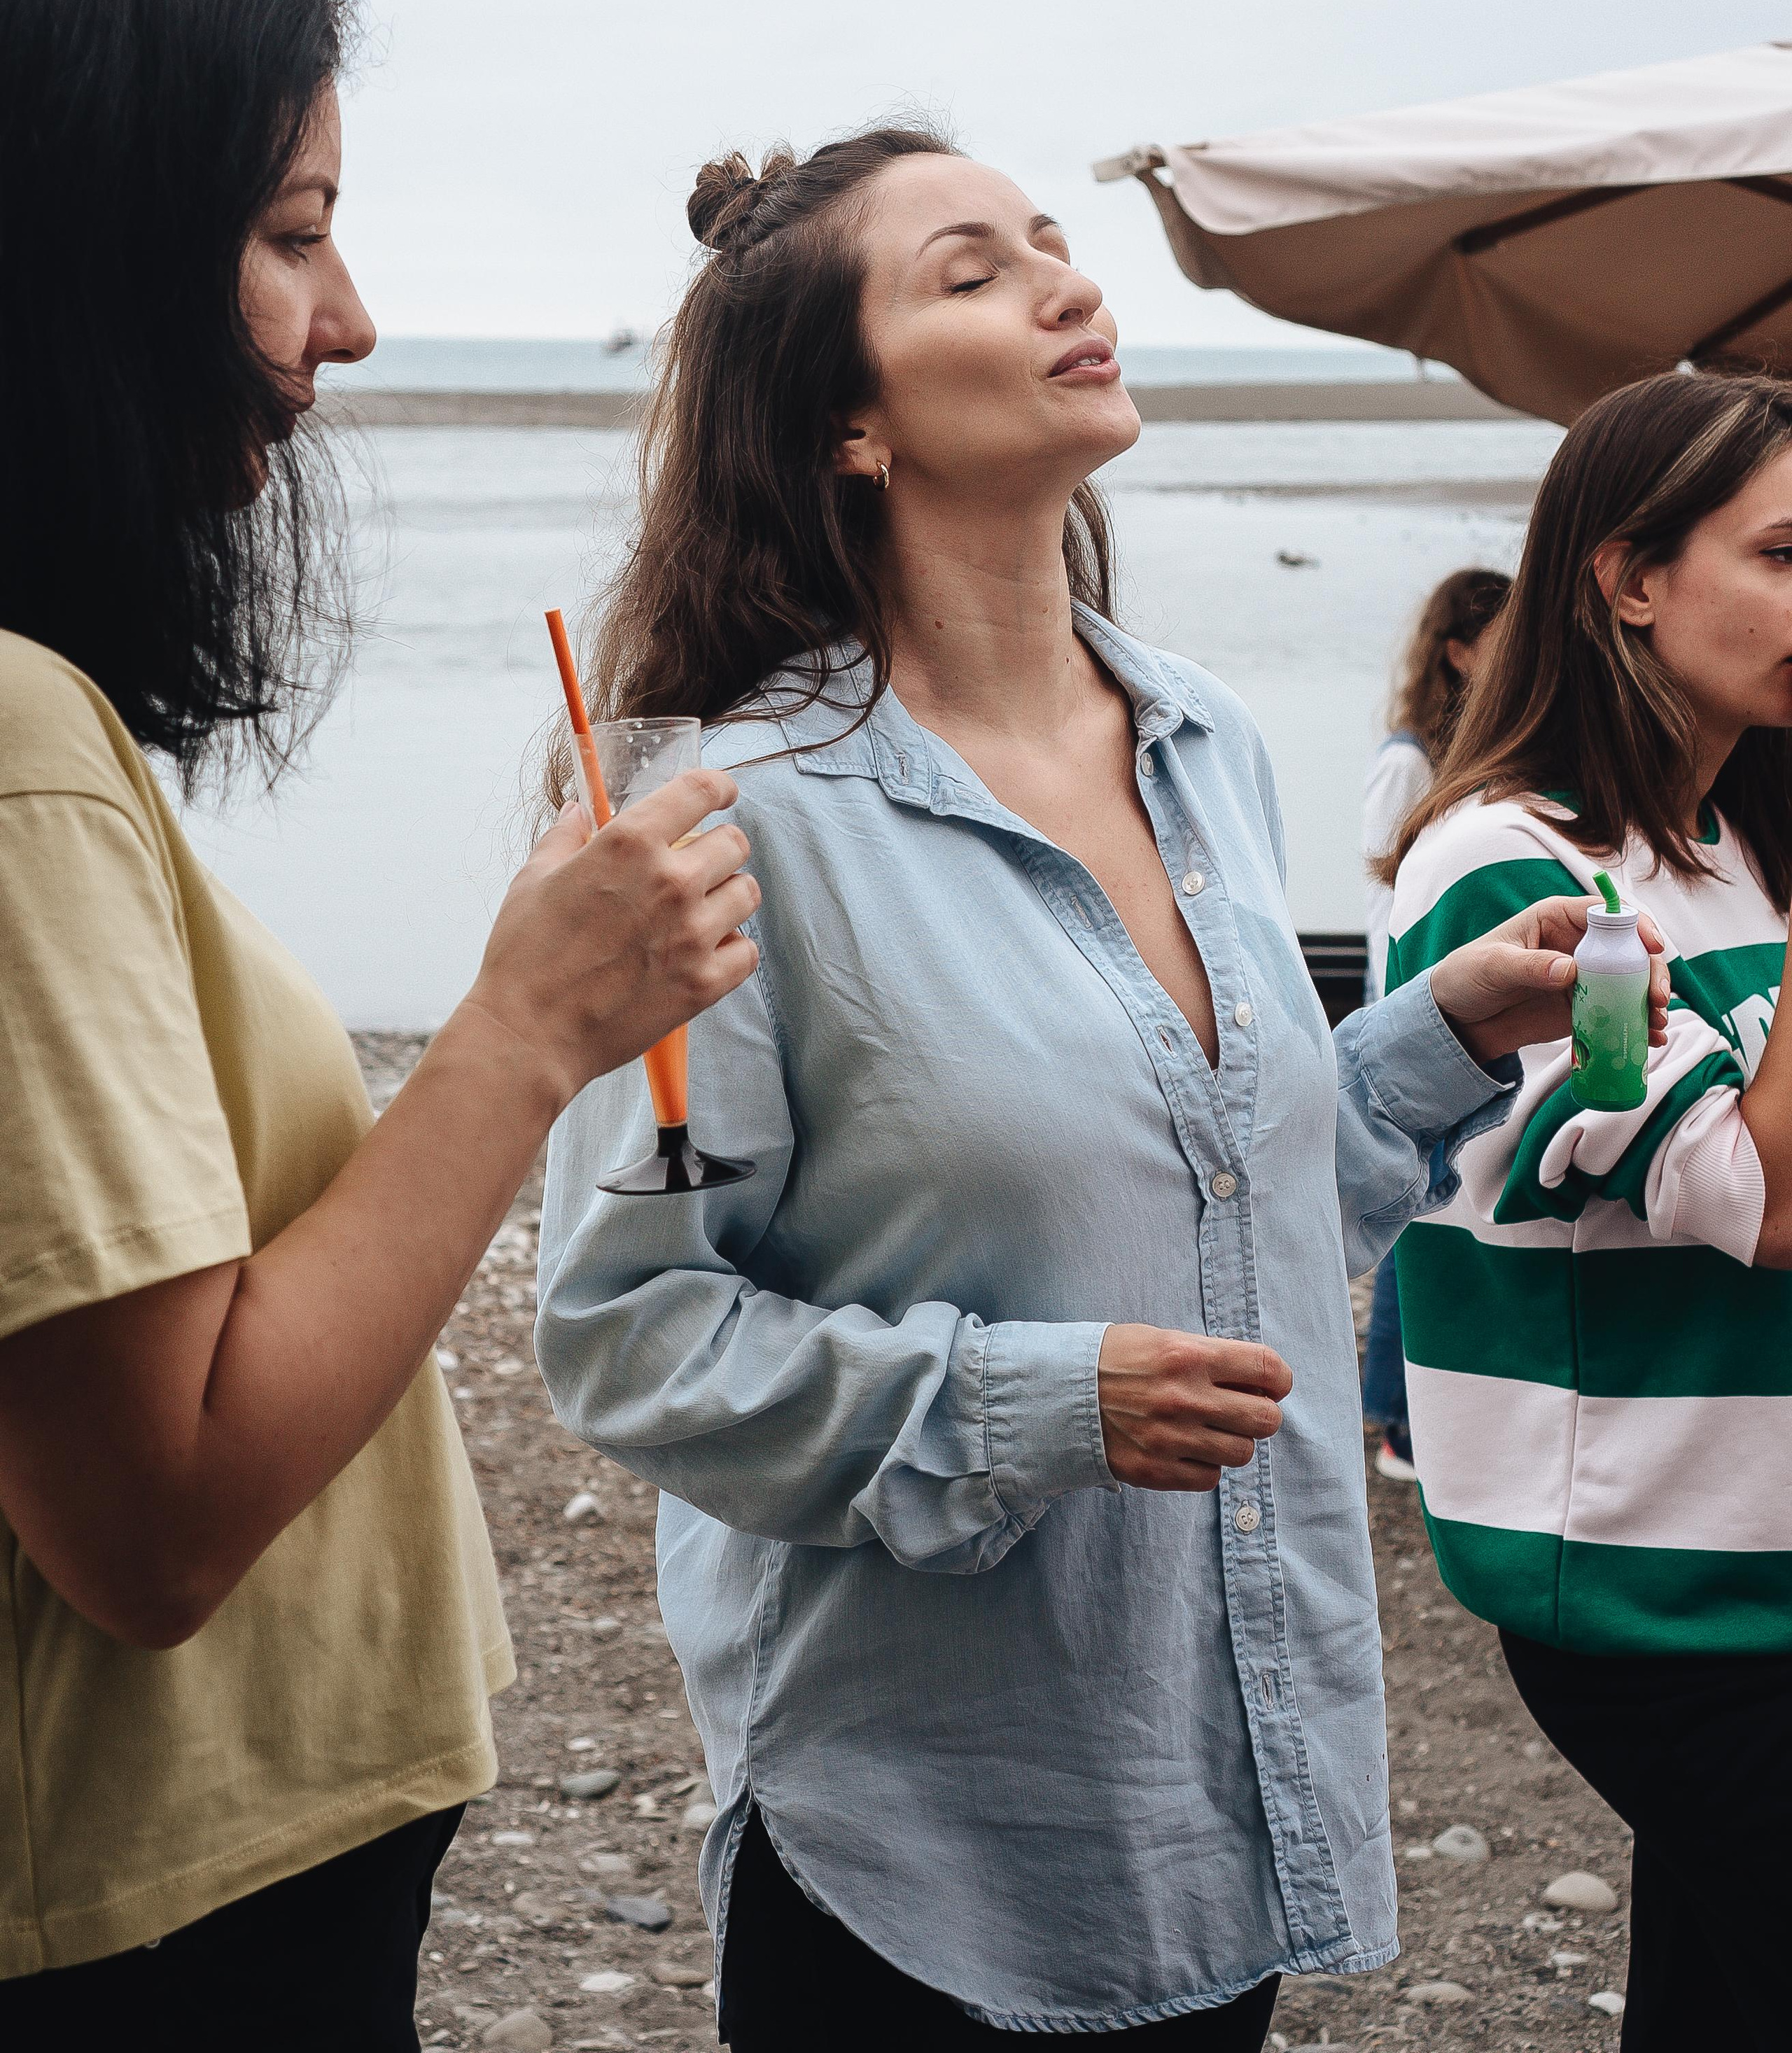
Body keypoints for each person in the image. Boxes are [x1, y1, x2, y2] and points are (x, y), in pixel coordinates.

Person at [533, 127, 1660, 2047]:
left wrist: (1411, 1058)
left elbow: (1227, 1221)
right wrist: (1038, 1397)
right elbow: (628, 1339)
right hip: (926, 1837)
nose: (1068, 283)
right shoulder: (725, 821)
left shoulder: (1205, 736)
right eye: (974, 272)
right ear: (848, 429)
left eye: (1057, 243)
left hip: (1217, 1770)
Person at [0, 0, 759, 2044]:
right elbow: (150, 1524)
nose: (347, 319)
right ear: (75, 255)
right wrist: (529, 1028)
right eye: (290, 232)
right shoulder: (23, 746)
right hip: (152, 1909)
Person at [1382, 370, 1792, 2053]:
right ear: (1625, 576)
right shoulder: (1512, 869)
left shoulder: (1740, 839)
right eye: (1781, 552)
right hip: (1659, 1584)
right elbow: (1758, 1201)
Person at [1359, 568, 1509, 1480]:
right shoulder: (1410, 760)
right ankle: (1393, 1421)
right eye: (1502, 637)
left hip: (1437, 1005)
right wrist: (1407, 1010)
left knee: (1430, 1203)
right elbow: (1390, 889)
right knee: (1412, 1212)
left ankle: (1402, 1413)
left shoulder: (1463, 754)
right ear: (1458, 649)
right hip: (1410, 1006)